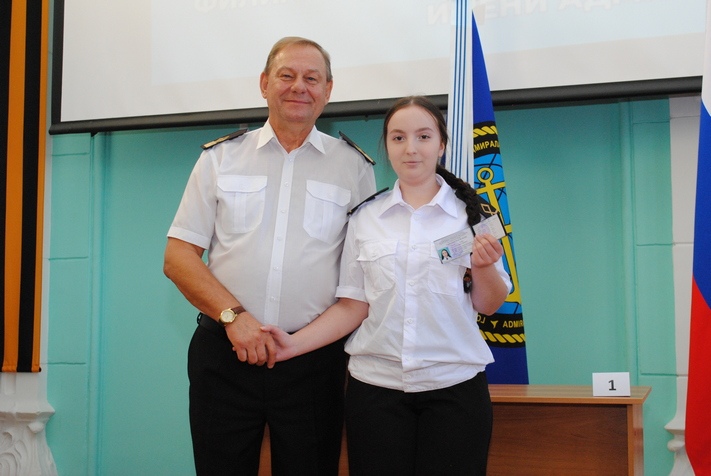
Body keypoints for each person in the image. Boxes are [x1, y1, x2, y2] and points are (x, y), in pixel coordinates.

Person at [262, 96, 512, 475]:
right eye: (398, 138)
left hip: (454, 387)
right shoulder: (365, 218)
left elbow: (489, 304)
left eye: (423, 136)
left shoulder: (474, 215)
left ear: (441, 145)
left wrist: (484, 267)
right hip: (375, 391)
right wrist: (292, 344)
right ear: (387, 146)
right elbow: (353, 305)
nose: (411, 148)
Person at [163, 36, 376, 475]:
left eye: (312, 78)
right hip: (225, 355)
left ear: (328, 90)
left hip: (314, 364)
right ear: (264, 83)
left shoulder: (354, 167)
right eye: (286, 75)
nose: (299, 86)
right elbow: (178, 255)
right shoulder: (221, 158)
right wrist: (234, 318)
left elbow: (360, 281)